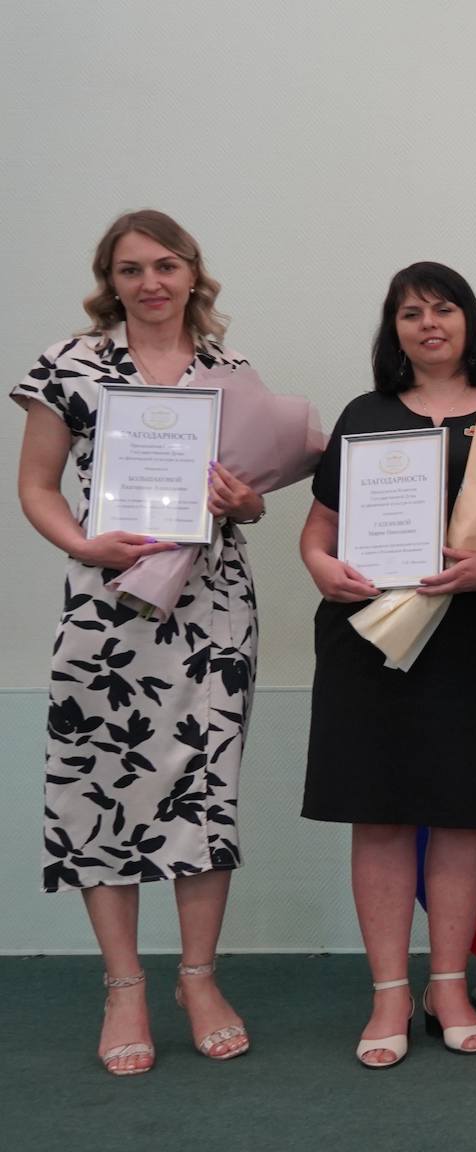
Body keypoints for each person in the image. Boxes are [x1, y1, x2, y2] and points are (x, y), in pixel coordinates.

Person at [14, 209, 262, 1076]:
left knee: (205, 789)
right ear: (110, 283)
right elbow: (36, 486)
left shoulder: (231, 372)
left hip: (213, 611)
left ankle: (199, 979)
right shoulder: (70, 364)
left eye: (165, 265)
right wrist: (85, 545)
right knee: (97, 786)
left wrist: (245, 502)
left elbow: (253, 493)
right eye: (131, 270)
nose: (151, 283)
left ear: (193, 273)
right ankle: (124, 986)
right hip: (107, 608)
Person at [299, 262, 476, 1068]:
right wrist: (319, 566)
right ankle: (389, 994)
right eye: (411, 313)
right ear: (394, 330)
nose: (429, 324)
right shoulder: (364, 414)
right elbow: (319, 527)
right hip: (370, 638)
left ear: (469, 321)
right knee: (378, 814)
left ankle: (448, 987)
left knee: (461, 813)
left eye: (443, 309)